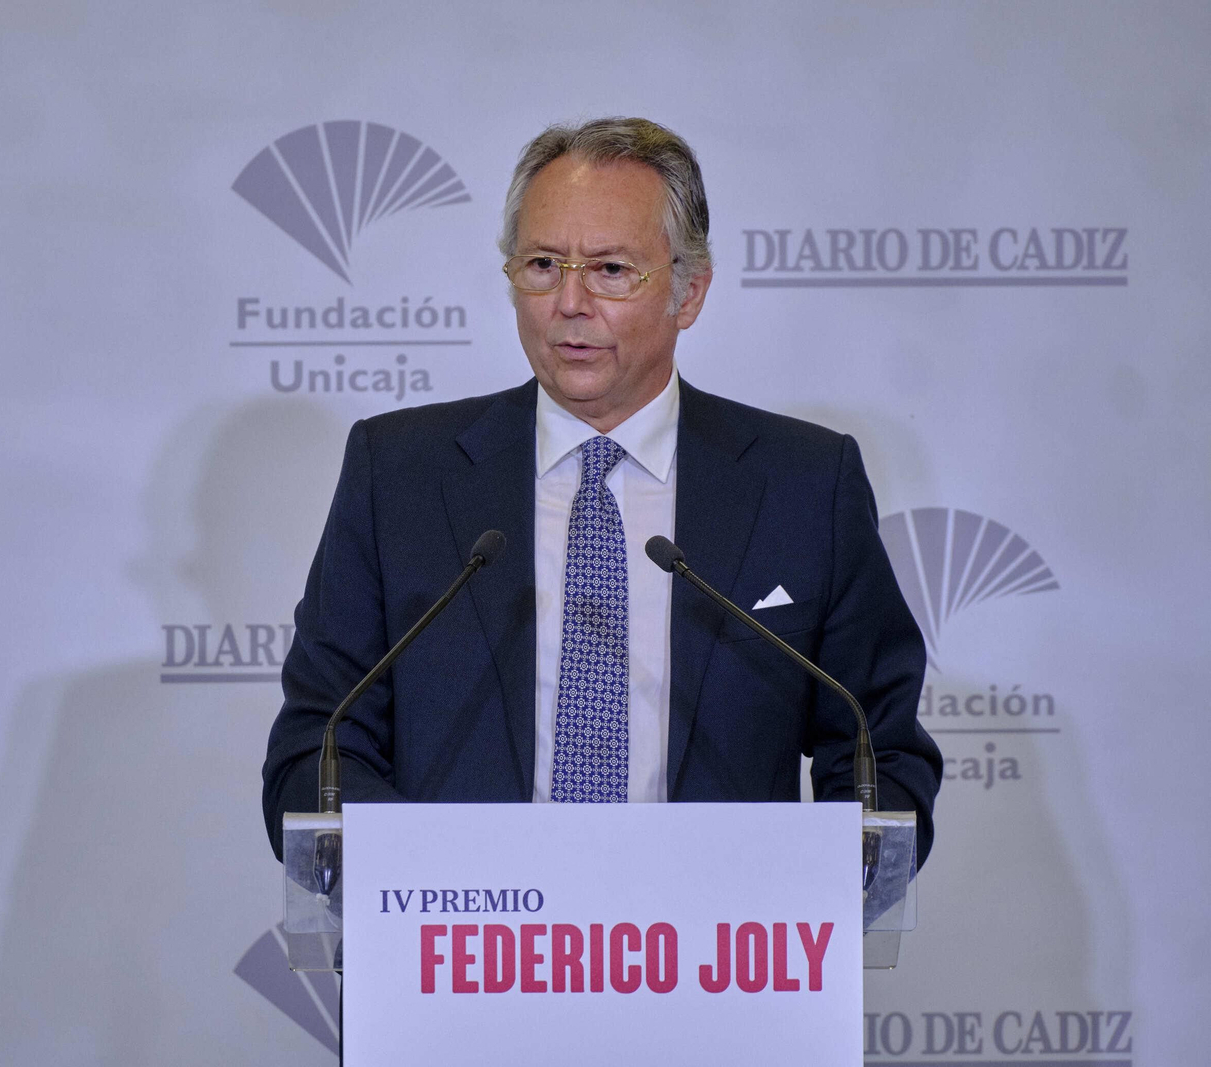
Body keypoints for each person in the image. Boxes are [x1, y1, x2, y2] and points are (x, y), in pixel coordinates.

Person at [261, 117, 942, 865]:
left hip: (715, 965)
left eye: (611, 270)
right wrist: (426, 888)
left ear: (688, 292)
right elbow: (317, 747)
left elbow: (882, 756)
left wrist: (816, 889)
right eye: (544, 263)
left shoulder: (805, 485)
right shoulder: (399, 475)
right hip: (458, 954)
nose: (570, 303)